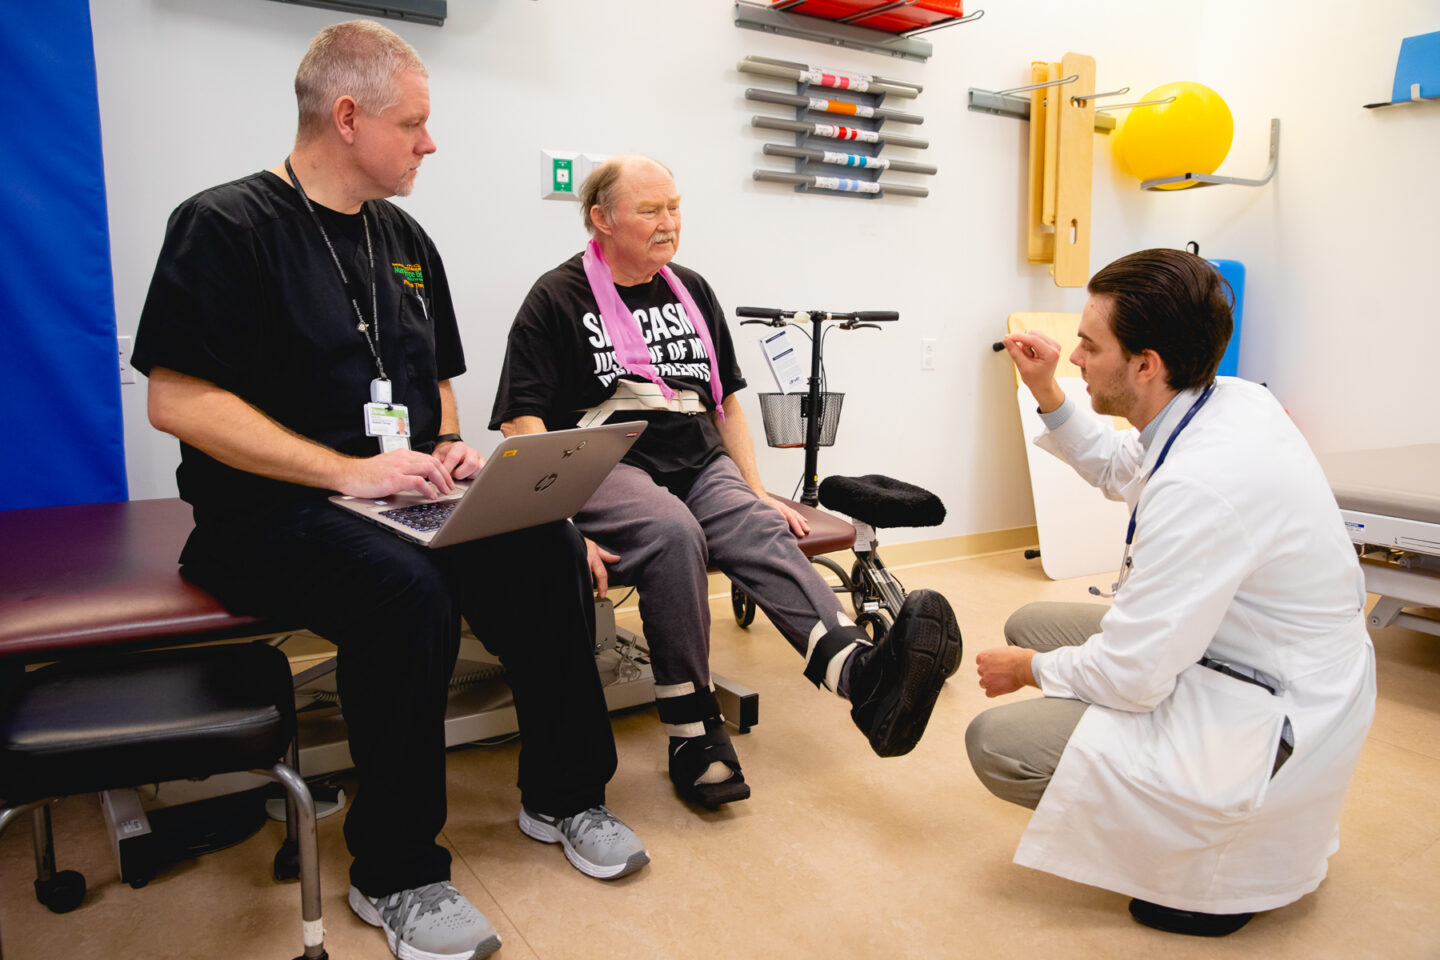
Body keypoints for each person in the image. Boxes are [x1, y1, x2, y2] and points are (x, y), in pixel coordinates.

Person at [131, 21, 647, 960]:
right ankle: (398, 873)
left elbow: (436, 375)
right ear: (346, 116)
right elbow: (176, 399)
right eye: (413, 122)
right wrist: (347, 472)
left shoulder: (404, 237)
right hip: (268, 514)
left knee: (543, 543)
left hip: (401, 494)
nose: (429, 141)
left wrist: (448, 446)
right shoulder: (225, 226)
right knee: (404, 592)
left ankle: (564, 795)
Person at [490, 155, 962, 808]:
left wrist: (757, 489)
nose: (669, 223)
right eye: (650, 210)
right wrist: (559, 522)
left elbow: (728, 406)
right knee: (672, 533)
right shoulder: (556, 296)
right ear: (600, 219)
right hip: (606, 464)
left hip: (698, 459)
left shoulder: (692, 289)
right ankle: (694, 731)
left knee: (759, 525)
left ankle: (863, 680)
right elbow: (521, 418)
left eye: (675, 207)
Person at [970, 248, 1376, 936]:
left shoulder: (1204, 486)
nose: (1074, 357)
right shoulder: (1225, 400)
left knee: (998, 743)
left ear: (1146, 365)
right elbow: (1116, 466)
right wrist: (1044, 388)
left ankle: (1212, 869)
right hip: (1240, 650)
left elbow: (1131, 676)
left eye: (1089, 346)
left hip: (1273, 705)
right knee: (1033, 621)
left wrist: (1031, 673)